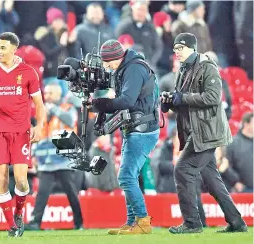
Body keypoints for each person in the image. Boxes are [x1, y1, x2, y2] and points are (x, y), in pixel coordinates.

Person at [161, 33, 247, 234]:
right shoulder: (183, 69)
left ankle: (192, 223)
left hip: (208, 131)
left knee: (182, 169)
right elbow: (185, 103)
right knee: (211, 179)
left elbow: (212, 97)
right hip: (196, 131)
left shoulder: (208, 67)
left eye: (180, 48)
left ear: (192, 47)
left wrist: (181, 98)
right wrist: (170, 103)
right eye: (175, 50)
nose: (177, 53)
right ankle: (236, 222)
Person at [91, 39, 160, 235]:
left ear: (116, 57)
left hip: (143, 130)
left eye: (108, 62)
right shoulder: (126, 68)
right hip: (135, 128)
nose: (107, 66)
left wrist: (101, 104)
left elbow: (127, 100)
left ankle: (143, 221)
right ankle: (132, 222)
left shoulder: (134, 69)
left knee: (126, 177)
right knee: (129, 176)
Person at [0, 32, 46, 237]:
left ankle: (18, 213)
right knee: (0, 176)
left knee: (21, 180)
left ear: (14, 49)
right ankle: (11, 226)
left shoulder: (28, 72)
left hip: (21, 131)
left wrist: (40, 125)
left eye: (3, 48)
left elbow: (39, 104)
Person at [25, 83, 83, 231]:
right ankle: (35, 222)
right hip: (47, 161)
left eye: (50, 93)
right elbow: (40, 134)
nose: (47, 96)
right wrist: (35, 155)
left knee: (71, 192)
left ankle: (79, 222)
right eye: (46, 93)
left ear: (58, 94)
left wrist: (53, 109)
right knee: (42, 193)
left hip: (64, 160)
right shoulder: (42, 111)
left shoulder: (67, 107)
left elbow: (70, 121)